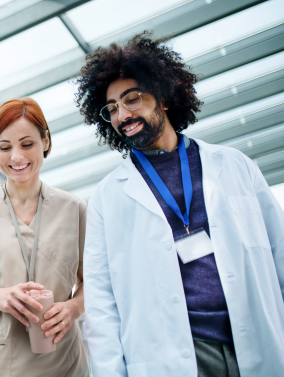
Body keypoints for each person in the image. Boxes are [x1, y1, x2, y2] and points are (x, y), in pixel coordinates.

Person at [76, 31, 284, 377]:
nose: (122, 115)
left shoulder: (234, 165)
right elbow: (101, 302)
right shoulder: (106, 198)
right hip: (170, 356)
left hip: (257, 339)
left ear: (165, 98)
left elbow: (279, 252)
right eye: (112, 108)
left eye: (132, 99)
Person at [0, 98, 90, 377]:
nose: (16, 157)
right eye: (4, 147)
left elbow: (93, 281)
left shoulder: (74, 209)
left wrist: (73, 308)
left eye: (27, 144)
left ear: (45, 142)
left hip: (62, 359)